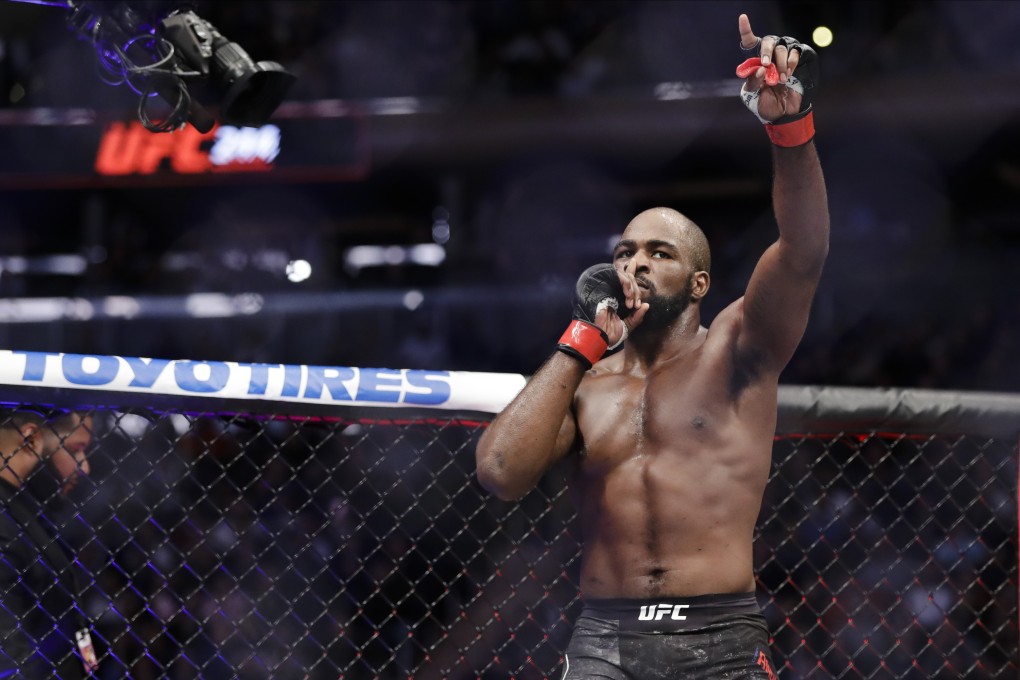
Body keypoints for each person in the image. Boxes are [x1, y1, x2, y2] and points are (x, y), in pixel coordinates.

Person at [475, 13, 829, 679]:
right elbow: (499, 472)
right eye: (625, 251)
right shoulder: (586, 382)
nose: (636, 262)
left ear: (698, 282)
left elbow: (804, 253)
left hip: (720, 637)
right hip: (604, 641)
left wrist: (789, 127)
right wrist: (580, 341)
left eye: (658, 252)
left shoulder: (737, 349)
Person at [0, 409, 98, 678]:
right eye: (76, 449)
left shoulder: (24, 513)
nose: (84, 467)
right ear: (32, 439)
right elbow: (8, 659)